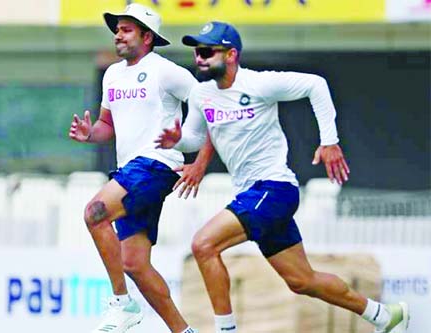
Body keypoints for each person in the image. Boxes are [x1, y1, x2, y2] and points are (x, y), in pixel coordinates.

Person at [155, 21, 409, 333]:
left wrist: (329, 141)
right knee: (302, 281)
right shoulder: (201, 94)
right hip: (254, 195)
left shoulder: (259, 84)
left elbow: (316, 85)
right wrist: (177, 141)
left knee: (203, 245)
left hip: (274, 189)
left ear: (231, 54)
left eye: (207, 51)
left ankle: (226, 330)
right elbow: (194, 137)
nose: (199, 58)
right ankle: (383, 315)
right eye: (196, 52)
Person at [68, 4, 202, 333]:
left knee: (95, 212)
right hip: (130, 170)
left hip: (157, 165)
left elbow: (208, 106)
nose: (118, 34)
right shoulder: (113, 74)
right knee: (135, 264)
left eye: (126, 29)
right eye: (117, 29)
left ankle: (120, 303)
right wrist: (90, 135)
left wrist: (197, 159)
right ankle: (184, 331)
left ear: (147, 37)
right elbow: (105, 125)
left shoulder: (166, 71)